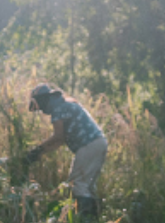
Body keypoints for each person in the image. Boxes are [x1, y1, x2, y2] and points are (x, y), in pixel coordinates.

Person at [21, 83, 107, 216]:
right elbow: (59, 141)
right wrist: (40, 153)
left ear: (44, 99)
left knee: (77, 183)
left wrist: (37, 150)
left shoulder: (58, 109)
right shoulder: (64, 104)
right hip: (98, 143)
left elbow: (58, 136)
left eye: (39, 105)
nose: (41, 110)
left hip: (88, 144)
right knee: (88, 185)